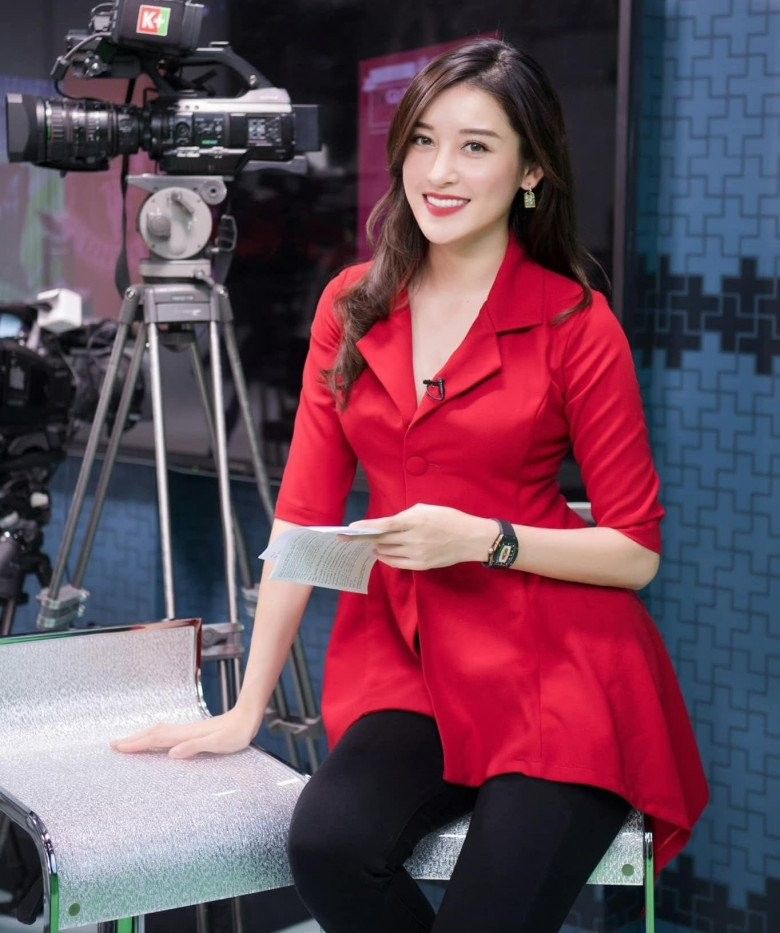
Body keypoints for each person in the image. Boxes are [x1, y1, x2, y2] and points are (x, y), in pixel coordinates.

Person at [112, 39, 709, 932]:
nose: (439, 171)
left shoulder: (578, 325)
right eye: (424, 140)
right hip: (412, 662)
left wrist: (482, 539)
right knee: (328, 846)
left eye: (476, 146)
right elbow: (303, 516)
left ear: (531, 171)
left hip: (560, 664)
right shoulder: (351, 306)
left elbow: (635, 551)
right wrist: (247, 706)